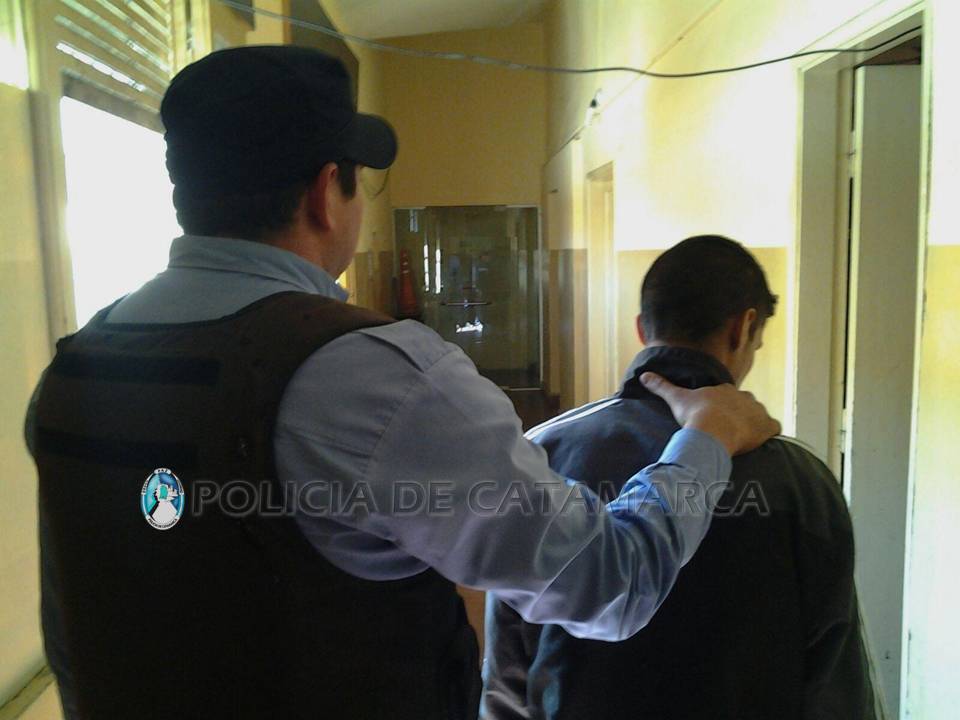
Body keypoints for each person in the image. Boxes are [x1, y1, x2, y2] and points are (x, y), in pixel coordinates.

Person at [26, 48, 779, 720]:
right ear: (326, 192)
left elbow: (74, 626)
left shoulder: (77, 365)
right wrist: (705, 436)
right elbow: (610, 582)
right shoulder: (376, 379)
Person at [482, 235, 880, 720]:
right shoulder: (801, 481)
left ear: (641, 328)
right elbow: (834, 684)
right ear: (743, 328)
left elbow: (509, 668)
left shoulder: (544, 453)